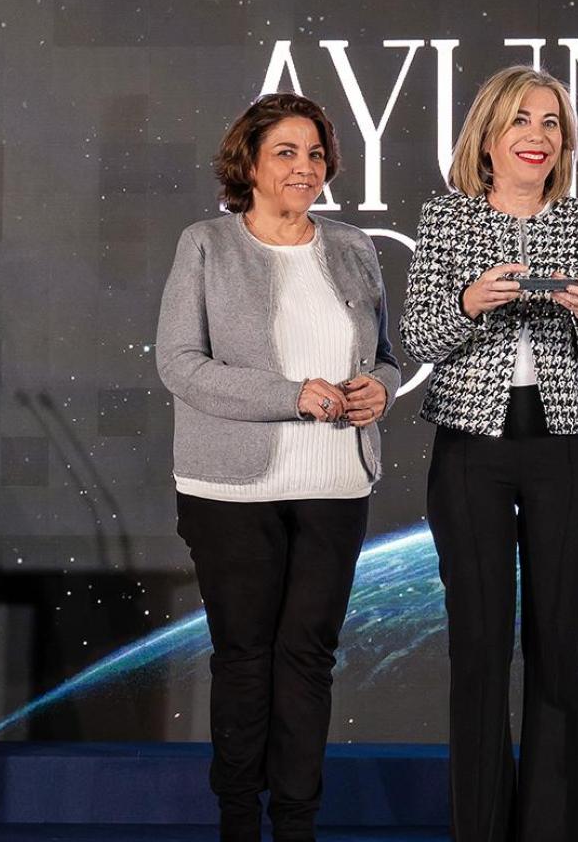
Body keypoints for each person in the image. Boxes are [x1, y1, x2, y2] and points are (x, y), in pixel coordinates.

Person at [155, 93, 401, 842]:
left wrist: (377, 392)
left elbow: (386, 359)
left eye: (316, 154)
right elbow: (180, 366)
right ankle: (238, 823)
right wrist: (291, 396)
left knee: (308, 661)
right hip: (230, 489)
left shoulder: (355, 245)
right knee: (244, 660)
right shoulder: (206, 244)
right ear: (250, 165)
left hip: (336, 485)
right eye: (286, 153)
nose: (305, 168)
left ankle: (296, 826)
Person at [399, 65, 578, 842]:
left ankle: (555, 830)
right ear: (488, 136)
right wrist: (468, 302)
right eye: (522, 120)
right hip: (470, 451)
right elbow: (419, 338)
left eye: (552, 122)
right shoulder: (447, 218)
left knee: (558, 646)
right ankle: (481, 830)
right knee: (479, 649)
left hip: (563, 449)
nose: (537, 135)